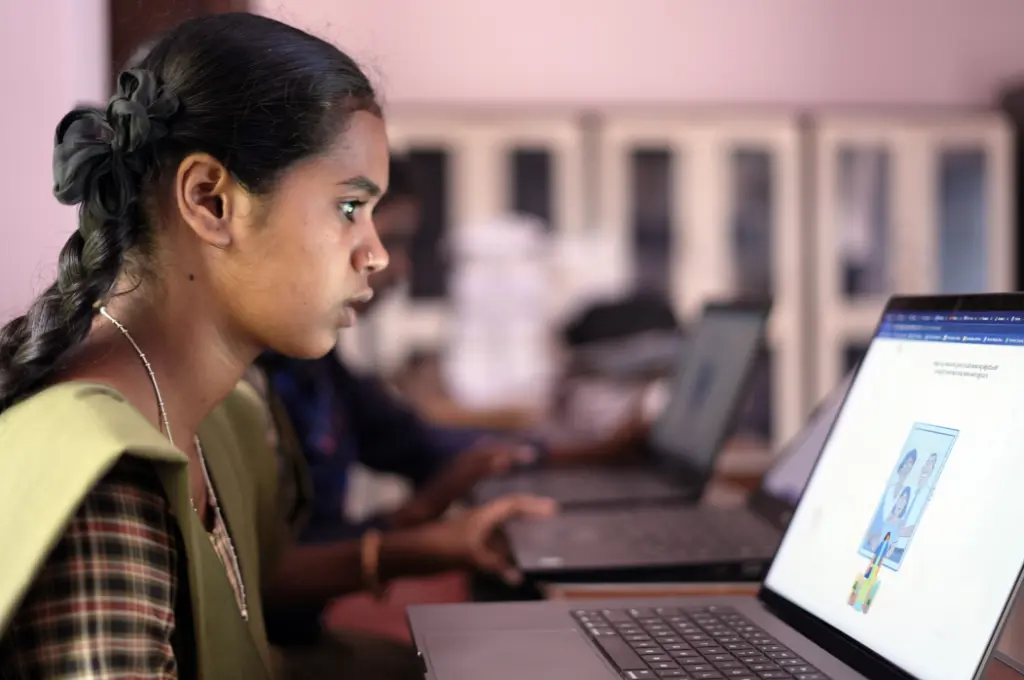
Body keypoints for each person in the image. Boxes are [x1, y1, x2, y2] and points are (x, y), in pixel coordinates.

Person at [0, 13, 552, 679]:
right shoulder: (113, 487)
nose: (376, 254)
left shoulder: (186, 413)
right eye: (350, 207)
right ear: (211, 201)